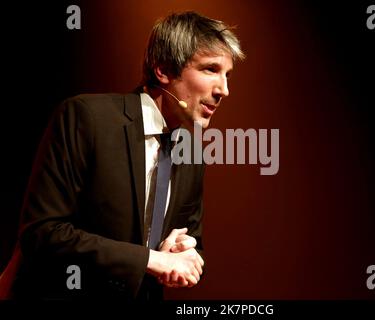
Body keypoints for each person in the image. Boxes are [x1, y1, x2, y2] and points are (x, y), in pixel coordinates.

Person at [0, 11, 244, 300]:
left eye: (227, 75)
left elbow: (193, 241)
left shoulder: (191, 150)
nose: (224, 90)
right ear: (163, 70)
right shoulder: (87, 117)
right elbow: (42, 234)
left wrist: (183, 250)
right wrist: (151, 259)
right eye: (210, 69)